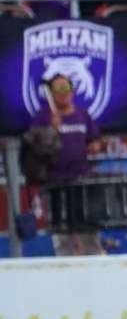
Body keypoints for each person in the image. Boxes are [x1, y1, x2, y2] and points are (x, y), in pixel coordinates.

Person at [25, 73, 104, 255]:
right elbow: (35, 149)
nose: (63, 93)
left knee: (89, 230)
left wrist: (95, 146)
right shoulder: (42, 118)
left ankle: (94, 264)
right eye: (58, 89)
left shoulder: (83, 115)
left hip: (82, 180)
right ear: (51, 94)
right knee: (62, 234)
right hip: (55, 182)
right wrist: (51, 130)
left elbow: (95, 140)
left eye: (66, 88)